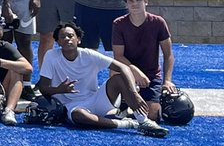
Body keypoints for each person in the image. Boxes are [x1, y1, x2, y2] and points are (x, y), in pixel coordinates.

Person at [37, 22, 167, 137]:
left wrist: (134, 93)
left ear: (78, 39)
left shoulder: (88, 54)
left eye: (70, 36)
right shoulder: (51, 56)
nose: (67, 39)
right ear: (58, 42)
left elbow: (123, 67)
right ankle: (127, 124)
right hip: (73, 106)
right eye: (62, 37)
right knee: (79, 116)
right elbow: (43, 88)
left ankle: (143, 121)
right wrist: (59, 89)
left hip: (97, 99)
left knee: (119, 79)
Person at [112, 0, 176, 121]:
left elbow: (168, 54)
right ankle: (124, 102)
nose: (134, 4)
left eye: (138, 0)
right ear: (126, 3)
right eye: (130, 1)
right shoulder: (119, 24)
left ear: (145, 1)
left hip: (151, 76)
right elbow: (118, 56)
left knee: (152, 115)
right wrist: (134, 70)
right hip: (128, 73)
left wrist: (167, 81)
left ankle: (137, 103)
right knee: (114, 69)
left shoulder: (158, 22)